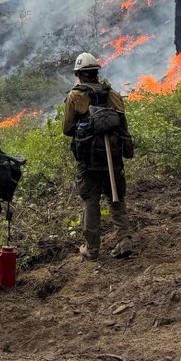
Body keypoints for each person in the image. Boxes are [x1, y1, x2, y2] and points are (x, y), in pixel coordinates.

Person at [64, 52, 134, 260]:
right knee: (116, 196)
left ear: (79, 75)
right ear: (96, 73)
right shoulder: (113, 94)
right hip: (113, 156)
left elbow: (67, 129)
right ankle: (124, 240)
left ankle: (92, 248)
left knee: (91, 201)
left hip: (89, 161)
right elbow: (123, 126)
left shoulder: (75, 96)